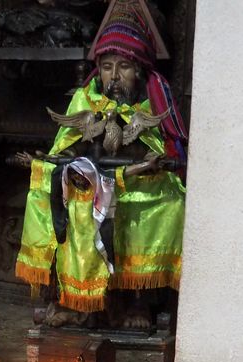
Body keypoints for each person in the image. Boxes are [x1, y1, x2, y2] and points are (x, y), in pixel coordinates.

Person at [15, 2, 187, 329]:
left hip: (137, 189)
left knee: (164, 207)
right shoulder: (85, 100)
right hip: (89, 189)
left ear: (139, 70)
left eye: (124, 66)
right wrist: (54, 163)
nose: (114, 76)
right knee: (59, 204)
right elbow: (64, 146)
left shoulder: (152, 104)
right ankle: (73, 299)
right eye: (107, 66)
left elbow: (161, 149)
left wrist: (149, 166)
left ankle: (139, 302)